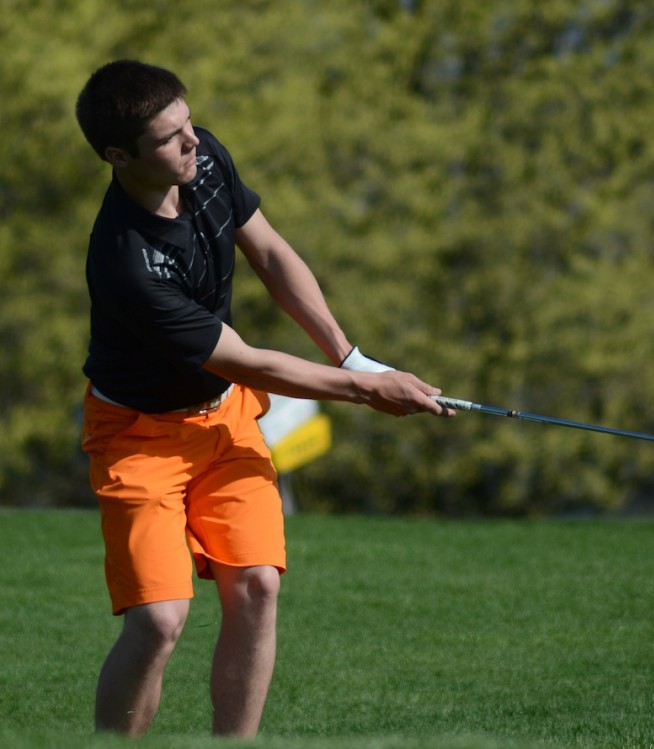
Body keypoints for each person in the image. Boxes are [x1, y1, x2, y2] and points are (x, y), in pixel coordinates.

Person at [75, 59, 451, 739]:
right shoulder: (125, 259)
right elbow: (245, 358)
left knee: (257, 585)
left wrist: (350, 355)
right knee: (159, 620)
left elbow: (270, 252)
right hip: (140, 436)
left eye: (189, 124)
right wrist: (369, 390)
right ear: (118, 156)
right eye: (170, 137)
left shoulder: (205, 160)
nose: (193, 141)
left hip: (224, 419)